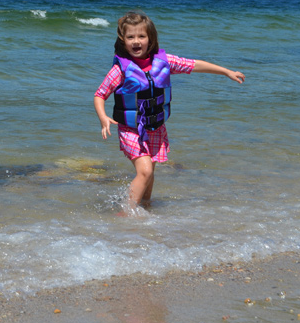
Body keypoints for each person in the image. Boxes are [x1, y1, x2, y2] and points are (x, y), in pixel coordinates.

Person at [93, 11, 244, 209]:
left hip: (155, 128)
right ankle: (126, 213)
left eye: (141, 36)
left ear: (150, 39)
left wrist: (226, 72)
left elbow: (193, 65)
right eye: (130, 37)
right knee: (145, 171)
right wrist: (103, 117)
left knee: (149, 174)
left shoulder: (163, 62)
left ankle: (145, 207)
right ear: (123, 40)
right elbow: (100, 94)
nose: (136, 41)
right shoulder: (120, 70)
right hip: (131, 130)